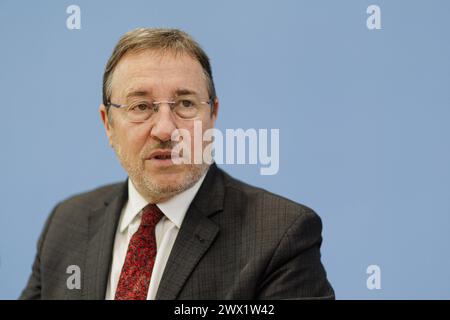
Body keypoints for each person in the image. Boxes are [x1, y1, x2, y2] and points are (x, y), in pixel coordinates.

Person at [20, 28, 334, 300]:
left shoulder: (280, 235)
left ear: (213, 115)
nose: (165, 130)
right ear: (108, 124)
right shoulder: (66, 223)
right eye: (141, 106)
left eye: (185, 104)